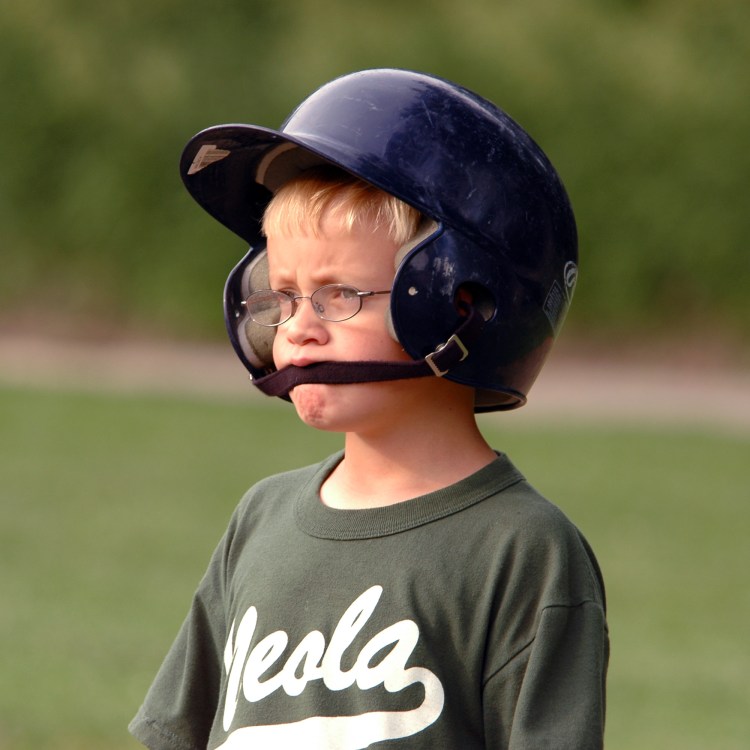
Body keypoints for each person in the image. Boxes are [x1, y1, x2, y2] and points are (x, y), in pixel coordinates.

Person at [129, 68, 608, 749]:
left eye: (339, 296)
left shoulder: (523, 549)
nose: (298, 329)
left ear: (461, 305)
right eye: (282, 296)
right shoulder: (261, 518)